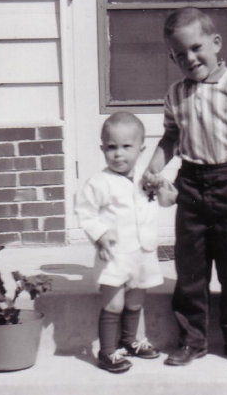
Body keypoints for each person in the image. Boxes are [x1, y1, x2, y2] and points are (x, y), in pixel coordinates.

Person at [143, 7, 227, 367]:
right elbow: (170, 137)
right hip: (191, 185)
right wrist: (152, 167)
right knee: (190, 270)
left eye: (196, 48)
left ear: (216, 43)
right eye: (180, 54)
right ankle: (192, 339)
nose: (190, 58)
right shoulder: (175, 94)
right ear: (171, 57)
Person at [75, 111, 176, 373]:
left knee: (135, 302)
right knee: (114, 303)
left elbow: (165, 201)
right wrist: (99, 233)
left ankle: (129, 341)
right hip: (115, 255)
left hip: (143, 253)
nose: (118, 154)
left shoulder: (147, 177)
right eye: (111, 147)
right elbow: (85, 212)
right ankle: (107, 351)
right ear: (102, 149)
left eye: (126, 147)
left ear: (141, 149)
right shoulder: (99, 182)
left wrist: (163, 190)